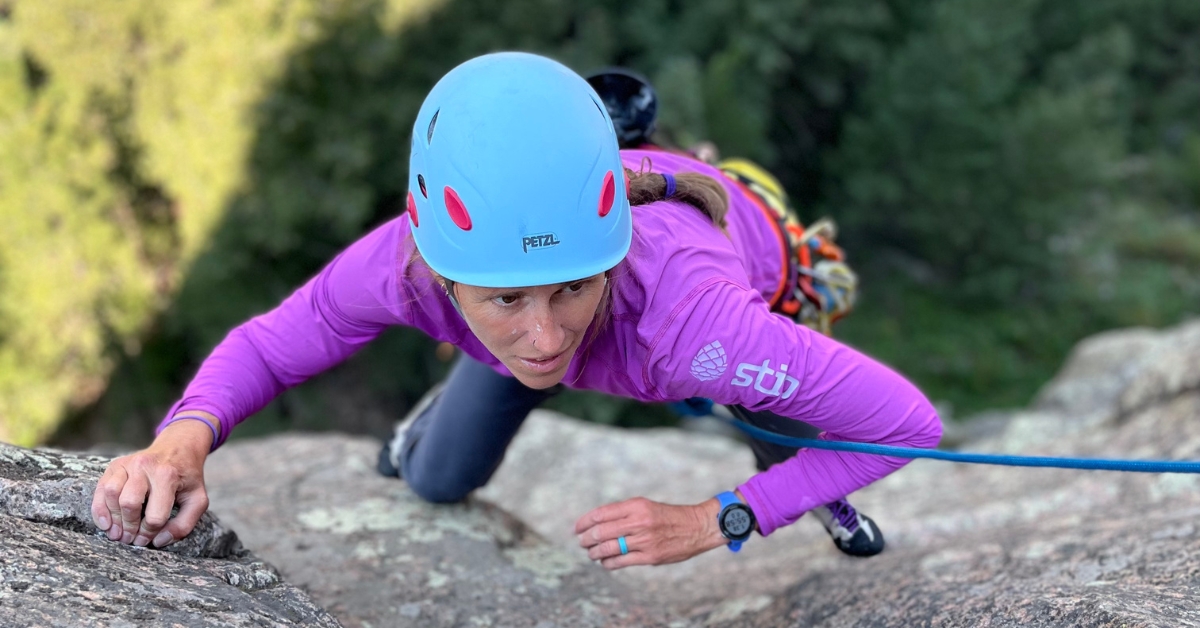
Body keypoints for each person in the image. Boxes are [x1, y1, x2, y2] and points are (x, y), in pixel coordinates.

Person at [90, 52, 942, 569]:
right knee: (434, 480)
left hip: (722, 283)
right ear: (442, 276)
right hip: (568, 239)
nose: (545, 340)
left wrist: (720, 517)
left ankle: (819, 499)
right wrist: (182, 439)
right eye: (504, 299)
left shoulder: (698, 324)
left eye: (572, 286)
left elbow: (904, 424)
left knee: (783, 421)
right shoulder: (411, 263)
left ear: (605, 257)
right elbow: (278, 345)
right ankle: (458, 387)